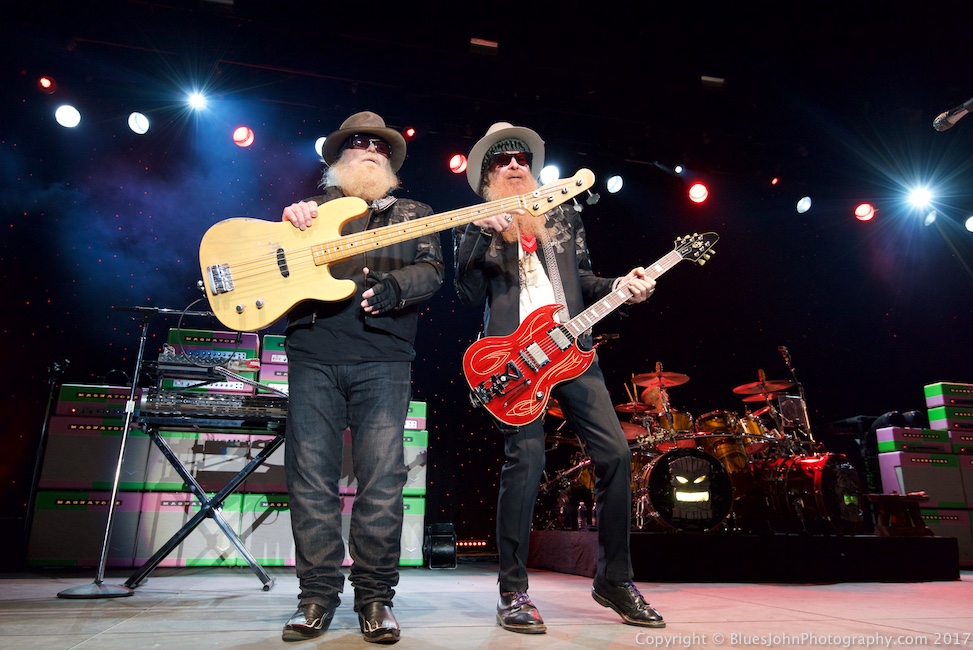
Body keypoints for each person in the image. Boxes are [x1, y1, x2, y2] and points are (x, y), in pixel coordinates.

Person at [453, 122, 665, 634]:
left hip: (572, 351)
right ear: (487, 173)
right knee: (525, 460)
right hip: (514, 358)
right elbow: (464, 293)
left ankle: (614, 580)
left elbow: (584, 279)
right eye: (501, 158)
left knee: (615, 454)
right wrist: (483, 233)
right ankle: (513, 591)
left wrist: (621, 285)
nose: (513, 164)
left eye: (521, 156)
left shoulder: (563, 214)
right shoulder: (473, 225)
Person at [279, 111, 444, 644]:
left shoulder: (415, 212)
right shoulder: (309, 212)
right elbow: (270, 262)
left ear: (390, 160)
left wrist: (396, 288)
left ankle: (374, 598)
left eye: (378, 145)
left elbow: (432, 270)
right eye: (357, 144)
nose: (368, 149)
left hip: (384, 356)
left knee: (381, 483)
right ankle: (316, 598)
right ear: (338, 158)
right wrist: (288, 225)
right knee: (310, 480)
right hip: (314, 351)